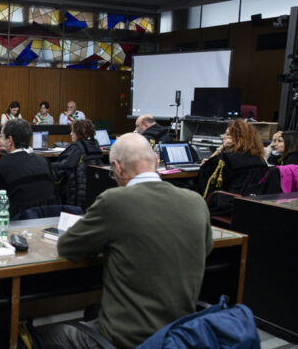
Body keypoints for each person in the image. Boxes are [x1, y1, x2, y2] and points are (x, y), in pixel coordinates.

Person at [41, 132, 213, 349]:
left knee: (49, 334)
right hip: (178, 335)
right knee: (94, 310)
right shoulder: (195, 202)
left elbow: (67, 247)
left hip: (127, 339)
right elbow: (205, 249)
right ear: (156, 162)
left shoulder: (115, 201)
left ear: (117, 167)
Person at [0, 118, 58, 218]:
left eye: (1, 137)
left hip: (14, 225)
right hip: (45, 221)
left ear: (9, 140)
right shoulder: (43, 162)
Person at [198, 119, 267, 214]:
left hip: (227, 204)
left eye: (227, 134)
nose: (223, 137)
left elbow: (205, 175)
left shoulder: (225, 159)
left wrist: (221, 149)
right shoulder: (259, 159)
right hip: (252, 204)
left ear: (237, 139)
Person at [51, 120, 103, 208]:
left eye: (73, 131)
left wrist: (47, 165)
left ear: (80, 132)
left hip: (74, 194)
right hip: (91, 195)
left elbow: (64, 167)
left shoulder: (77, 148)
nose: (71, 134)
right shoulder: (95, 145)